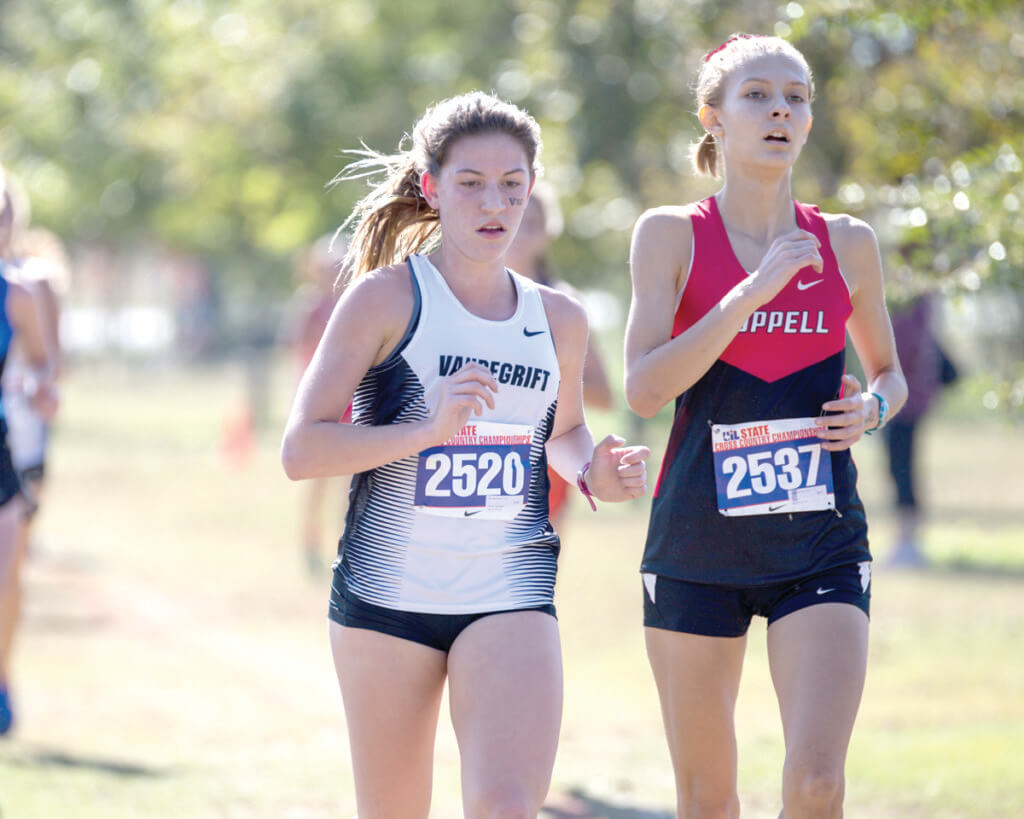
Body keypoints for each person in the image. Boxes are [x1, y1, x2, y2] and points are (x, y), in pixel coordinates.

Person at [281, 91, 650, 818]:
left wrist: (593, 470)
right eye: (471, 183)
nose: (494, 204)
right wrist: (422, 430)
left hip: (507, 595)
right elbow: (302, 449)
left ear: (531, 191)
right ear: (432, 187)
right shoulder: (384, 300)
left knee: (507, 805)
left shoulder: (560, 318)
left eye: (512, 185)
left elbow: (565, 431)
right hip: (388, 603)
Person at [624, 35, 907, 818]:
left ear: (809, 120)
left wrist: (873, 408)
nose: (780, 108)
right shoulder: (670, 234)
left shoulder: (847, 242)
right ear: (712, 118)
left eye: (797, 95)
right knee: (707, 798)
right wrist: (749, 294)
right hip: (694, 544)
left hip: (819, 542)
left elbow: (890, 373)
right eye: (757, 95)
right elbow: (645, 388)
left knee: (817, 783)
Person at [505, 181, 614, 529]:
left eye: (532, 223)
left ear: (548, 233)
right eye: (513, 217)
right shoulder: (458, 297)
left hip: (544, 462)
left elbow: (604, 395)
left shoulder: (565, 303)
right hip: (473, 455)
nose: (521, 232)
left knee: (532, 580)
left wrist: (542, 379)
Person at [0, 170, 58, 736]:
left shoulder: (17, 294)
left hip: (2, 445)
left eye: (4, 217)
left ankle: (2, 677)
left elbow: (44, 363)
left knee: (7, 572)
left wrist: (42, 389)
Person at [278, 234, 350, 575]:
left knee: (351, 485)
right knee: (318, 482)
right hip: (321, 405)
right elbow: (296, 353)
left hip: (350, 404)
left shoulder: (353, 303)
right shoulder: (309, 307)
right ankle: (309, 543)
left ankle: (345, 546)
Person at [883, 293, 956, 568]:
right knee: (900, 470)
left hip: (904, 403)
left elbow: (905, 350)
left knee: (902, 470)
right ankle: (906, 540)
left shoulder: (909, 301)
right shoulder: (914, 301)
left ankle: (908, 542)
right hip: (905, 400)